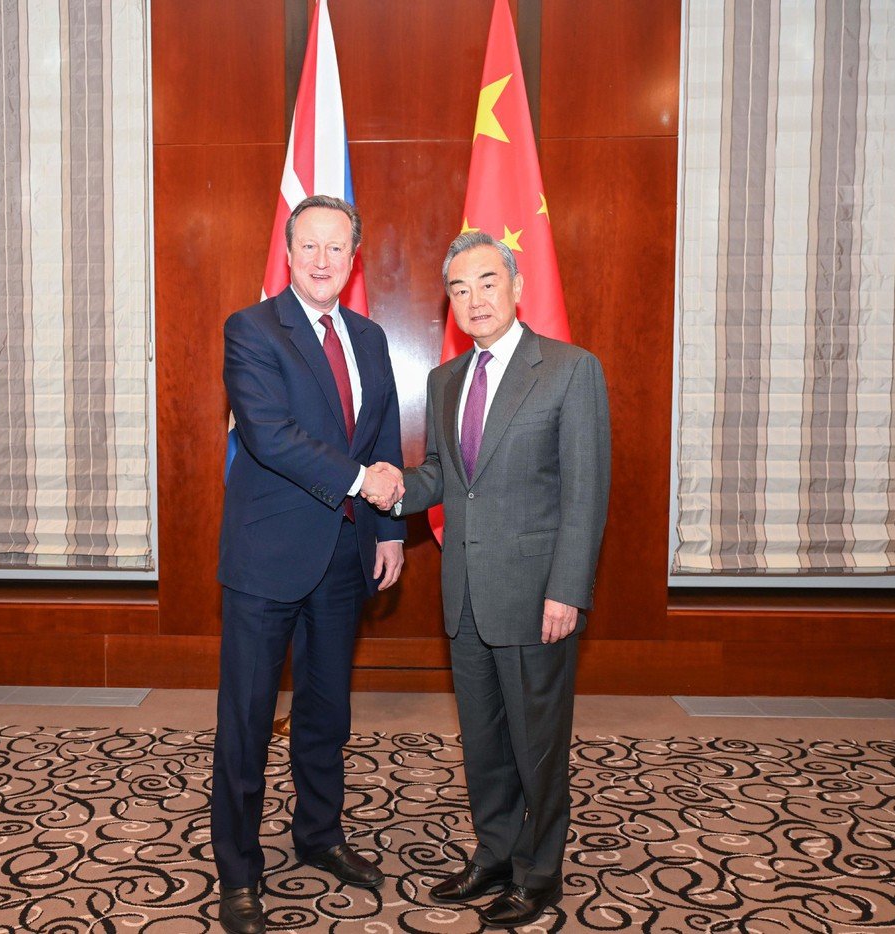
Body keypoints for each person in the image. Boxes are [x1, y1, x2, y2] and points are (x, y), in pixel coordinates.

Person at [370, 230, 610, 929]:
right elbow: (446, 480)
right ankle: (495, 855)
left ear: (515, 288)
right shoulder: (444, 380)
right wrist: (391, 489)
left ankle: (540, 873)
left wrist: (567, 589)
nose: (473, 299)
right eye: (458, 288)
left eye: (485, 282)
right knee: (481, 741)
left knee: (537, 744)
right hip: (466, 596)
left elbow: (584, 492)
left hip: (538, 598)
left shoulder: (568, 369)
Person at [212, 194, 406, 934]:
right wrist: (363, 483)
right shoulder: (252, 329)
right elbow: (268, 433)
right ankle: (238, 871)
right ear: (288, 254)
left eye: (337, 248)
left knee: (326, 714)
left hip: (344, 556)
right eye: (310, 246)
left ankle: (319, 836)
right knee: (248, 721)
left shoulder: (370, 336)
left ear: (353, 259)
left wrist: (388, 529)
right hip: (267, 559)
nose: (323, 260)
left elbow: (383, 430)